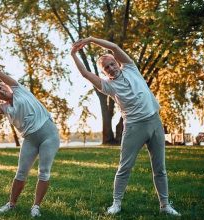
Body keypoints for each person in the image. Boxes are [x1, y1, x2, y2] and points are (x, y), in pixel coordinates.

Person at [70, 37, 181, 216]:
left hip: (154, 122)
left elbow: (114, 47)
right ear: (104, 72)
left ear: (117, 62)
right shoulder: (108, 86)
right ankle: (116, 203)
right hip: (134, 127)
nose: (111, 68)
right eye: (107, 68)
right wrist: (74, 54)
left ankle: (165, 205)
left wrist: (90, 39)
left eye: (112, 64)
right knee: (125, 167)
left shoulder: (130, 68)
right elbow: (84, 73)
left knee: (159, 168)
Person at [0, 69, 60, 217]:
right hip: (30, 139)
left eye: (0, 87)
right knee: (21, 172)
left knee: (44, 171)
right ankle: (11, 204)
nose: (0, 91)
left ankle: (36, 206)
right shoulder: (4, 108)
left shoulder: (19, 90)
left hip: (49, 135)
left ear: (5, 86)